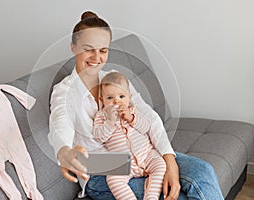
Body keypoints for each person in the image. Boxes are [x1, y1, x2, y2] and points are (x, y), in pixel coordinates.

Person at [48, 10, 224, 200]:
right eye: (88, 49)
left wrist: (169, 160)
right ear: (73, 47)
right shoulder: (64, 91)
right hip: (102, 169)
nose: (96, 57)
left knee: (203, 172)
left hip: (142, 152)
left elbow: (148, 115)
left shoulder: (114, 78)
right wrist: (64, 150)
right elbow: (59, 123)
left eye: (103, 50)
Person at [93, 71, 166, 200]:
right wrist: (110, 121)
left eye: (122, 96)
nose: (117, 101)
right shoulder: (102, 116)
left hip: (147, 154)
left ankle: (151, 196)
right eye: (110, 98)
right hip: (125, 162)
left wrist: (131, 118)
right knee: (113, 179)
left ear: (129, 97)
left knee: (161, 165)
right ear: (102, 100)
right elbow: (99, 137)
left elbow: (146, 127)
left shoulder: (133, 110)